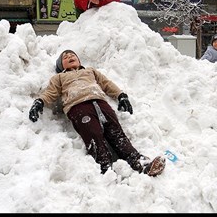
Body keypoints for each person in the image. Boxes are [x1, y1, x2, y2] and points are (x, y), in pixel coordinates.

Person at [28, 50, 166, 176]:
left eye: (72, 55)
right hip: (78, 107)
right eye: (65, 57)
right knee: (93, 135)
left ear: (79, 60)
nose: (70, 56)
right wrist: (39, 102)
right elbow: (50, 92)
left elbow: (107, 84)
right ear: (60, 65)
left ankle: (141, 163)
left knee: (117, 133)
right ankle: (105, 168)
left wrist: (121, 95)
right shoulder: (59, 77)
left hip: (100, 103)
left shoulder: (90, 71)